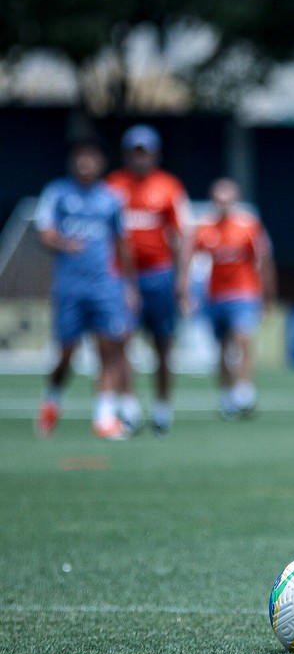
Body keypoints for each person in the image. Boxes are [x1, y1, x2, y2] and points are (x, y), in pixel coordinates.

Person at [35, 138, 137, 440]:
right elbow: (44, 232)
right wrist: (64, 243)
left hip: (105, 286)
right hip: (70, 288)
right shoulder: (58, 193)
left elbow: (122, 243)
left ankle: (104, 417)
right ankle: (52, 397)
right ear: (73, 162)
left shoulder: (111, 198)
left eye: (91, 159)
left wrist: (130, 285)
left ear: (100, 164)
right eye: (81, 159)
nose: (86, 164)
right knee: (67, 352)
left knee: (109, 348)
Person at [106, 125, 190, 435]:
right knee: (121, 341)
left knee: (163, 344)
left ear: (155, 154)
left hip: (159, 275)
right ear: (127, 154)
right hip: (120, 277)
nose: (140, 158)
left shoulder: (169, 187)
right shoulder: (113, 186)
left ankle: (162, 410)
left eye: (146, 152)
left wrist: (181, 279)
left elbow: (183, 235)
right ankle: (128, 408)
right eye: (135, 152)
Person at [186, 178, 276, 418]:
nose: (222, 204)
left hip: (244, 292)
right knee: (221, 348)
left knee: (243, 338)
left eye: (227, 199)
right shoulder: (204, 229)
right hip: (215, 295)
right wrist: (187, 293)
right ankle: (227, 394)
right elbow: (188, 259)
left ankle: (244, 390)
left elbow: (265, 261)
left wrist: (268, 297)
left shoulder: (248, 226)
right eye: (218, 200)